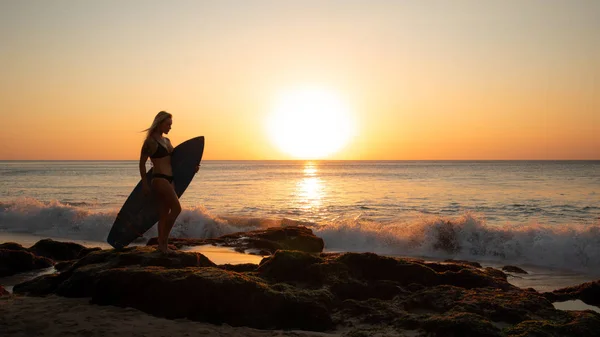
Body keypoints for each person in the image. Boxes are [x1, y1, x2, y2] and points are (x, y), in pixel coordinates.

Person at [139, 111, 198, 254]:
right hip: (159, 179)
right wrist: (145, 184)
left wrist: (192, 169)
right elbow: (141, 164)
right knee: (177, 209)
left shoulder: (167, 141)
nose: (170, 127)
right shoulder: (150, 142)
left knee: (164, 214)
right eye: (168, 124)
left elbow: (176, 162)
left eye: (171, 125)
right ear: (160, 123)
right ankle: (163, 241)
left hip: (170, 179)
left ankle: (161, 245)